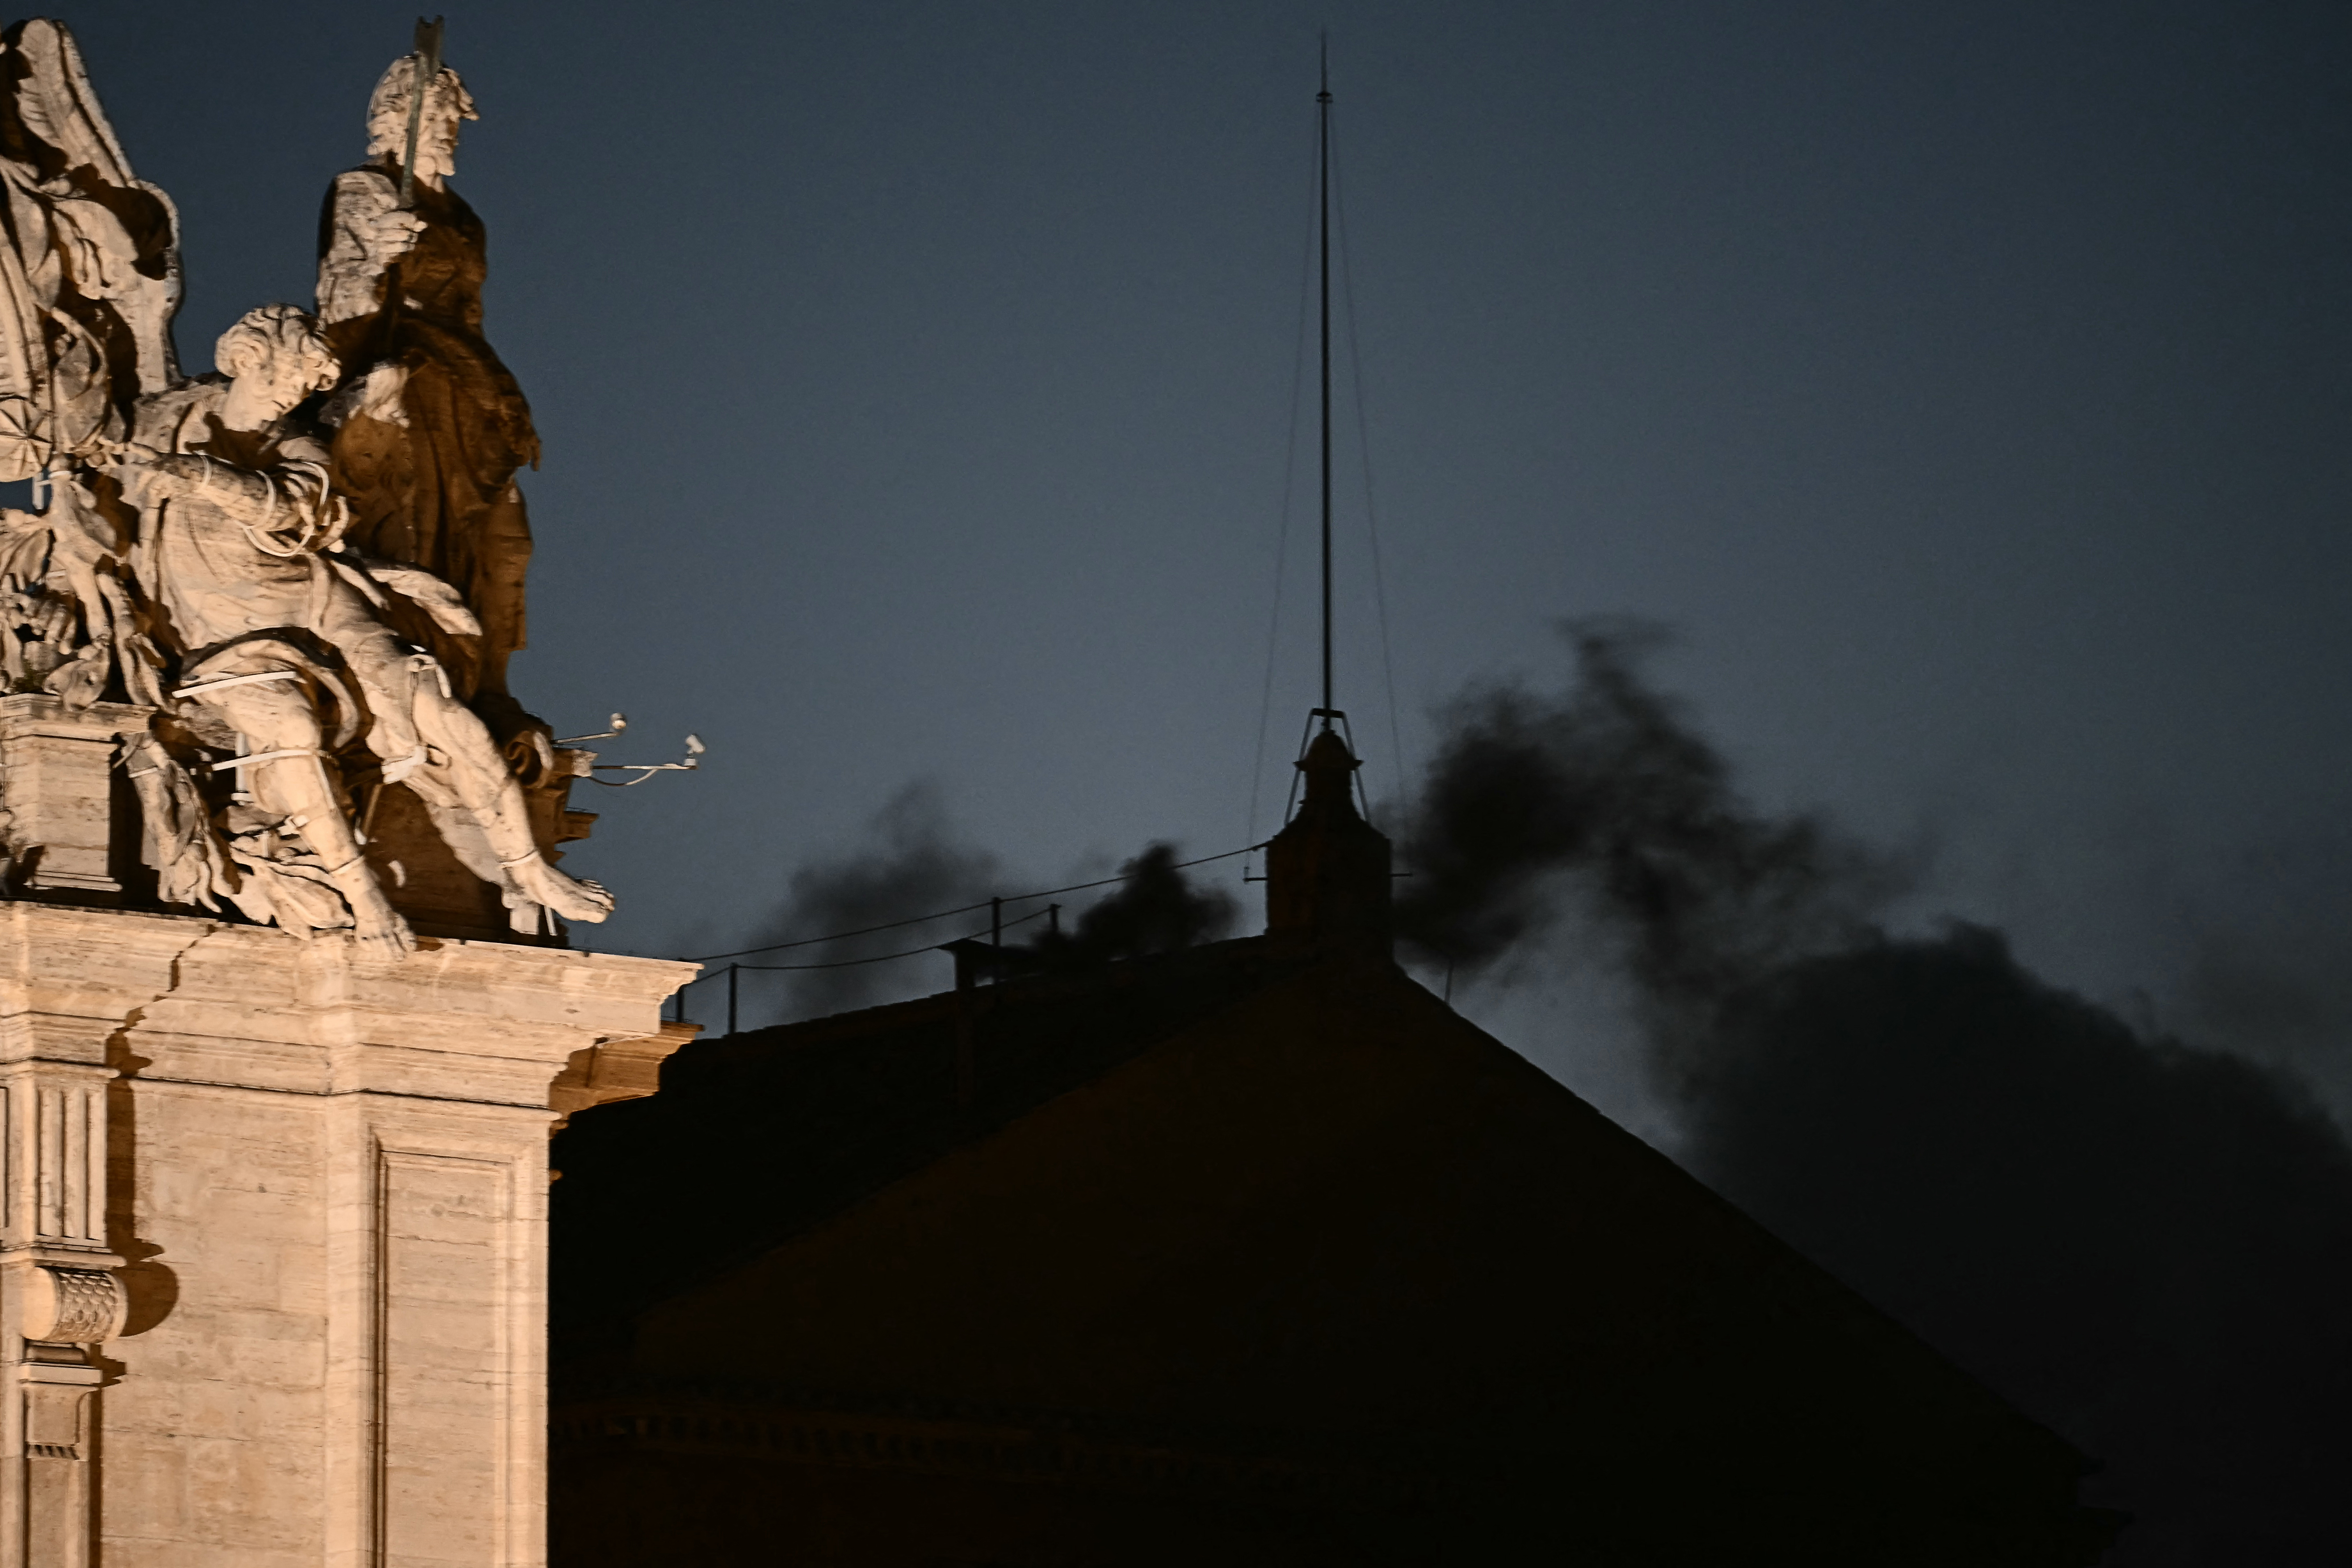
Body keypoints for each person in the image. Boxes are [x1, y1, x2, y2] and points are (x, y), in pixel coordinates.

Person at [111, 304, 609, 958]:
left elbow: (290, 507)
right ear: (245, 361)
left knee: (442, 713)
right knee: (292, 729)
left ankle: (529, 867)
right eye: (286, 382)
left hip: (318, 606)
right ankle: (365, 897)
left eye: (303, 390)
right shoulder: (167, 419)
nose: (290, 400)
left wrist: (194, 474)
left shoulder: (300, 447)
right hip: (223, 636)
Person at [314, 50, 536, 719]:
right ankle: (419, 658)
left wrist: (500, 393)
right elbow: (338, 298)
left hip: (467, 382)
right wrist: (376, 262)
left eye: (451, 121)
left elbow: (471, 313)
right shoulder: (363, 189)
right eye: (433, 117)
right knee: (415, 520)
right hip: (406, 371)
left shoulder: (466, 219)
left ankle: (488, 679)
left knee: (500, 536)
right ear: (393, 120)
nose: (446, 132)